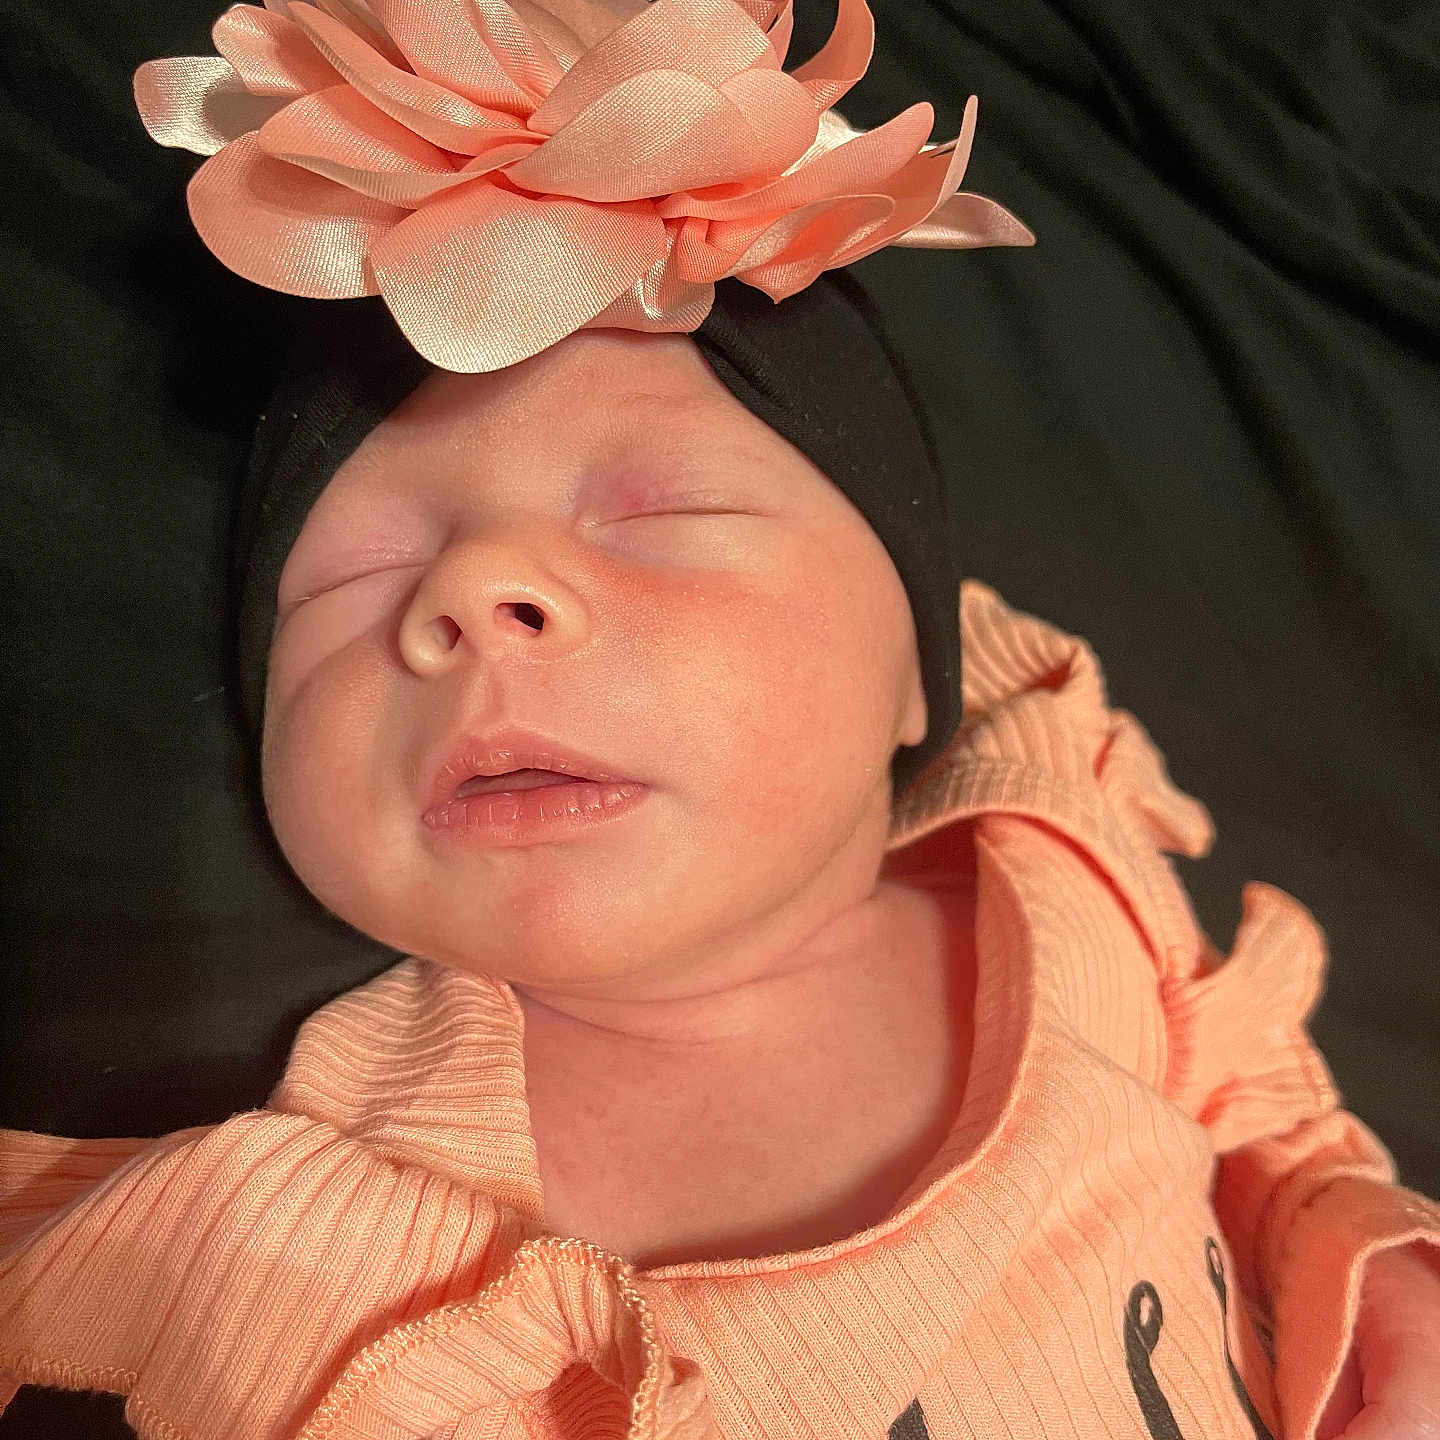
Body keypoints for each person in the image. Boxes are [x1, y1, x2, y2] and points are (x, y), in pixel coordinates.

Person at [3, 0, 1438, 1437]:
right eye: (356, 579)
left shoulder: (1071, 868)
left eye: (658, 513)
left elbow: (1256, 1111)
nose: (479, 588)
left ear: (909, 677)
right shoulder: (339, 1266)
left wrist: (1374, 1275)